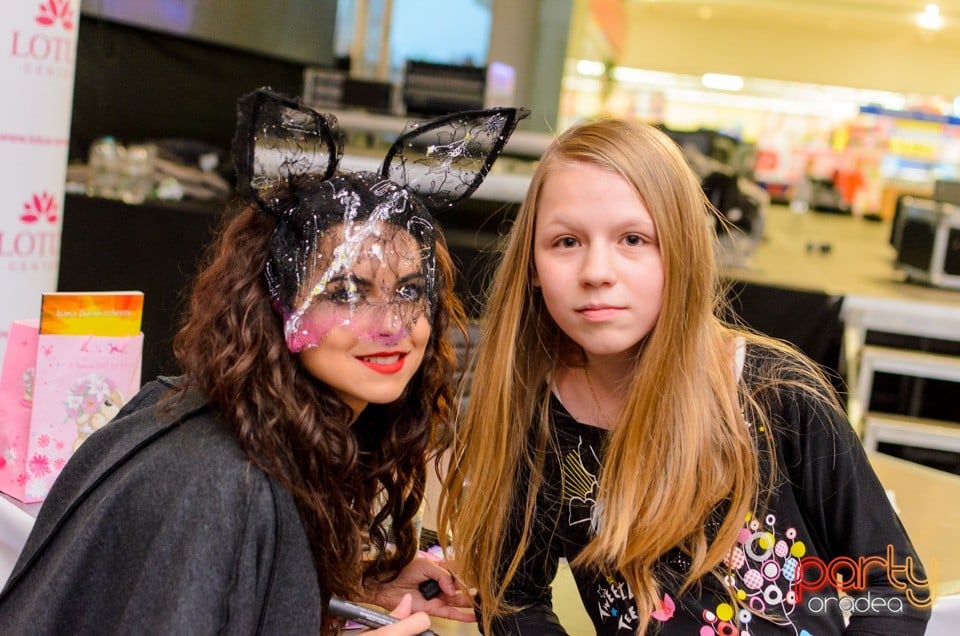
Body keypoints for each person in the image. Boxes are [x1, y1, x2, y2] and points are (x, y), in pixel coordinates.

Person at [0, 89, 527, 635]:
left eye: (410, 291)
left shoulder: (220, 419)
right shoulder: (229, 486)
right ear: (278, 303)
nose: (392, 325)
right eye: (347, 293)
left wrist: (348, 592)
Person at [440, 119, 932, 634]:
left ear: (682, 251)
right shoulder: (537, 419)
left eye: (633, 238)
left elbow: (896, 589)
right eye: (566, 241)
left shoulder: (778, 394)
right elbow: (512, 596)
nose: (596, 272)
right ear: (532, 266)